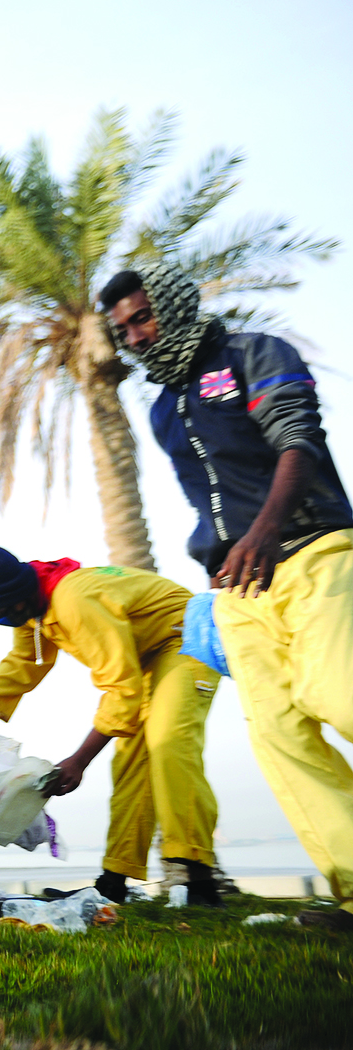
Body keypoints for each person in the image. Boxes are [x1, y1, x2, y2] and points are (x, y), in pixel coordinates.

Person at [103, 265, 353, 931]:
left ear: (177, 302)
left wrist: (266, 531)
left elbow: (298, 439)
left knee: (339, 695)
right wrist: (222, 558)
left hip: (312, 551)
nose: (135, 334)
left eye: (142, 316)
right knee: (279, 737)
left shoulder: (254, 353)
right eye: (123, 328)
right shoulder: (162, 409)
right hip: (237, 590)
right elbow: (207, 498)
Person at [0, 543, 225, 905]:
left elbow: (121, 688)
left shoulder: (74, 601)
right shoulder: (34, 608)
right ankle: (113, 884)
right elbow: (24, 664)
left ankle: (202, 882)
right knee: (131, 762)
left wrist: (79, 760)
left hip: (184, 640)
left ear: (17, 595)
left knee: (168, 744)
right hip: (143, 657)